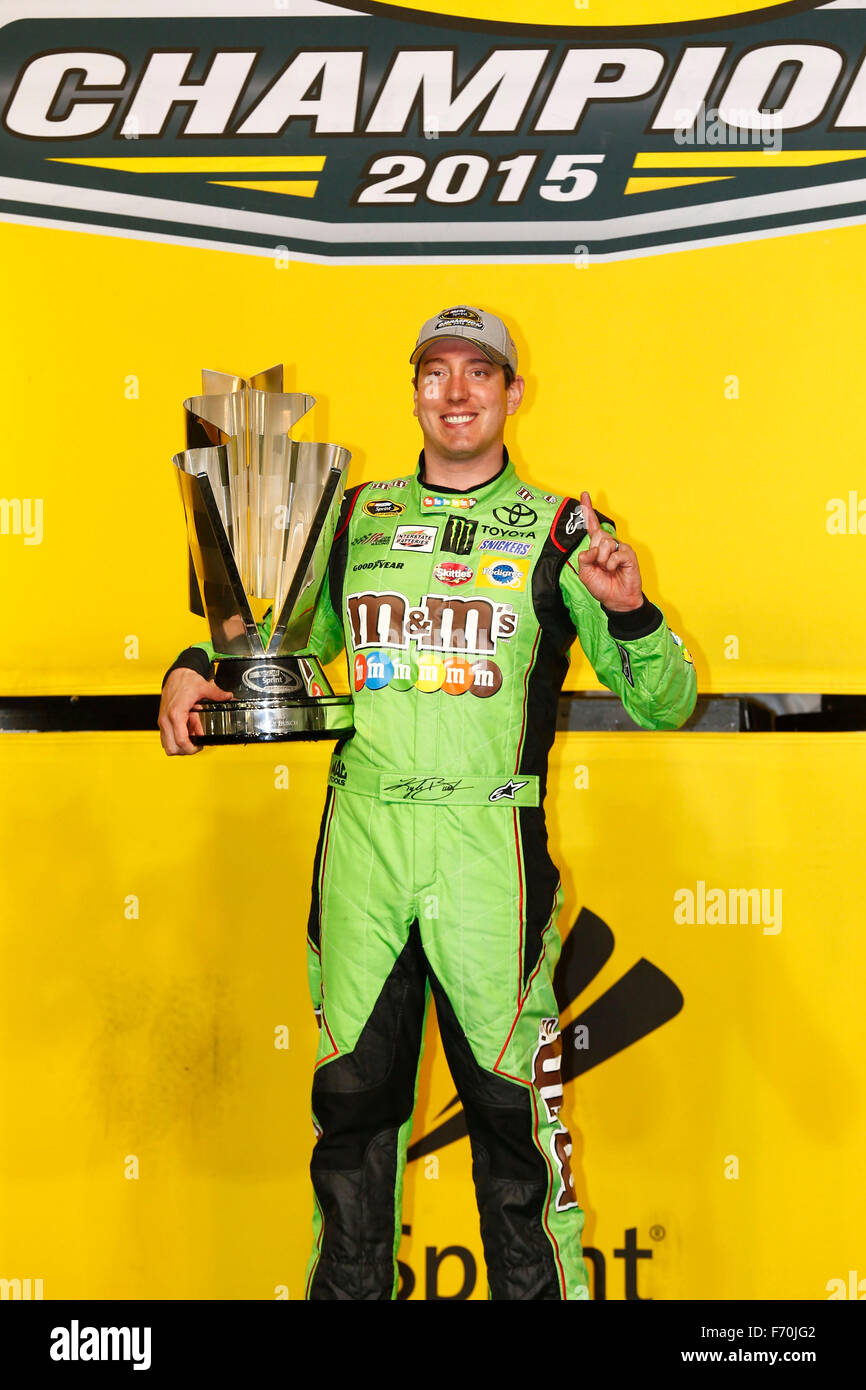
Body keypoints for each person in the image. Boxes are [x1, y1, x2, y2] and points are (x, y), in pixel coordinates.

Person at [159, 304, 697, 1301]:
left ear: (511, 392)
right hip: (364, 841)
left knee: (511, 1127)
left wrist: (630, 609)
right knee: (351, 1115)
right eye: (435, 373)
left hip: (489, 847)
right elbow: (279, 634)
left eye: (478, 374)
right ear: (411, 389)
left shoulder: (561, 530)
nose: (455, 393)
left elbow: (664, 702)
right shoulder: (349, 513)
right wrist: (197, 662)